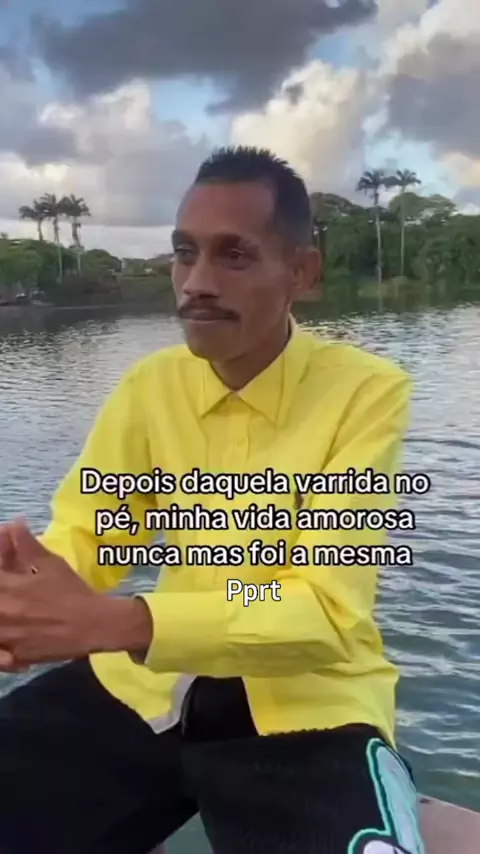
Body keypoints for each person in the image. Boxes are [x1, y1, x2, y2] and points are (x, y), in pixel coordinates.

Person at [0, 146, 425, 854]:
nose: (196, 282)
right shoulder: (151, 387)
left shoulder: (365, 392)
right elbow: (92, 533)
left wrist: (120, 622)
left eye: (234, 255)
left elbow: (324, 609)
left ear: (302, 273)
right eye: (184, 253)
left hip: (308, 703)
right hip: (148, 683)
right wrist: (25, 585)